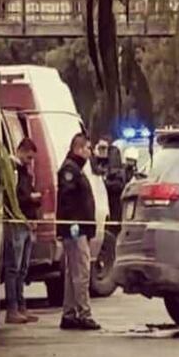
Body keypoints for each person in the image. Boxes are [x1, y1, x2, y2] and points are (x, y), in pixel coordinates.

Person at [57, 133, 100, 331]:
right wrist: (75, 226)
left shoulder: (74, 169)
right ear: (79, 149)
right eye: (88, 148)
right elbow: (68, 201)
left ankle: (70, 313)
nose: (90, 153)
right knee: (81, 271)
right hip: (76, 229)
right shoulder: (70, 170)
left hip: (77, 228)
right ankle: (83, 313)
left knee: (73, 272)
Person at [3, 138, 42, 325]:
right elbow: (16, 197)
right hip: (17, 223)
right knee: (14, 268)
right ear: (20, 151)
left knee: (23, 270)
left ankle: (21, 307)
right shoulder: (13, 170)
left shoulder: (25, 172)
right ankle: (13, 309)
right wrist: (32, 198)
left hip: (26, 224)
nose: (30, 161)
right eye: (28, 157)